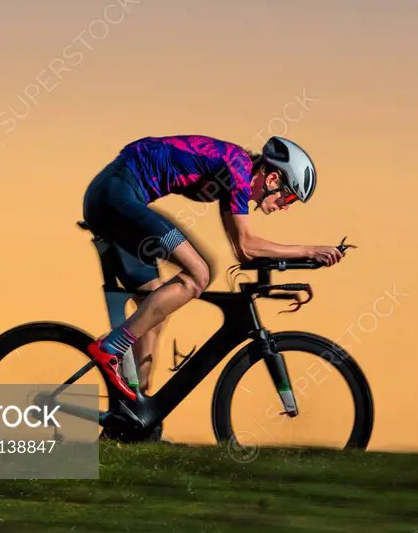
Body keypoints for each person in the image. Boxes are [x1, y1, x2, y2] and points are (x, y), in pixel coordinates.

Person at [81, 134, 344, 404]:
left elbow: (242, 254)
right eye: (288, 199)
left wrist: (298, 268)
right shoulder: (238, 170)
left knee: (154, 309)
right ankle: (111, 347)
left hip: (114, 196)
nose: (284, 207)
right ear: (273, 180)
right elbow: (248, 247)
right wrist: (309, 251)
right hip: (117, 196)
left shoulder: (232, 176)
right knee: (199, 274)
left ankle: (135, 411)